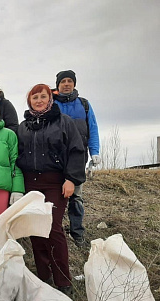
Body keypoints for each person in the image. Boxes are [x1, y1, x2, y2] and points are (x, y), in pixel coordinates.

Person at [16, 84, 85, 296]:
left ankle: (63, 281)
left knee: (53, 228)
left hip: (55, 182)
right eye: (34, 97)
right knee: (35, 229)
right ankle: (43, 277)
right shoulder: (24, 126)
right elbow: (17, 155)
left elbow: (76, 150)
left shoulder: (63, 121)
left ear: (50, 99)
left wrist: (71, 179)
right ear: (30, 101)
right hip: (30, 183)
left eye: (42, 96)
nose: (38, 100)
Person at [52, 70, 101, 247]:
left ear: (74, 84)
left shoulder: (84, 105)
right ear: (58, 84)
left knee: (76, 197)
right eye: (63, 81)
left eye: (69, 81)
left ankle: (77, 232)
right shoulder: (51, 103)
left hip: (78, 158)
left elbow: (92, 128)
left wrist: (95, 151)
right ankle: (52, 230)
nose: (66, 84)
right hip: (55, 159)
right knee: (54, 196)